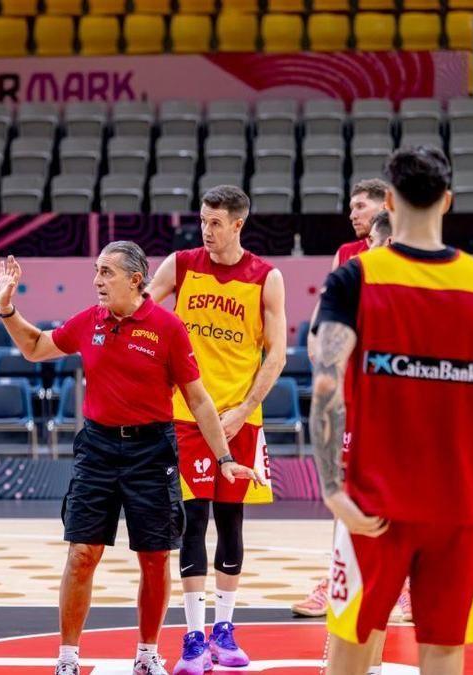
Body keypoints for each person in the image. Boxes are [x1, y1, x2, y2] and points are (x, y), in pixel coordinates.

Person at [0, 242, 265, 675]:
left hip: (152, 452)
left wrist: (224, 457)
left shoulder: (168, 327)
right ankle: (67, 659)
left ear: (136, 280)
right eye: (96, 272)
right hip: (97, 449)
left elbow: (198, 399)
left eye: (106, 273)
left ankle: (146, 654)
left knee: (155, 557)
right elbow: (37, 347)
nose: (97, 281)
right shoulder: (90, 321)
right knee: (82, 553)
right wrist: (7, 310)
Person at [309, 147, 473, 675]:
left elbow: (325, 384)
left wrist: (332, 489)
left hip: (373, 504)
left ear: (389, 200)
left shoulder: (354, 277)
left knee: (353, 647)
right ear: (447, 200)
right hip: (460, 506)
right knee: (445, 650)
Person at [145, 186, 286, 675]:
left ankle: (224, 630)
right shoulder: (181, 265)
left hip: (239, 419)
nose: (206, 230)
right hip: (185, 419)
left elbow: (278, 356)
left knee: (231, 522)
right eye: (203, 220)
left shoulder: (266, 277)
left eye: (216, 222)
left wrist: (246, 408)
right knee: (191, 521)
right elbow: (140, 308)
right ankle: (191, 637)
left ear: (238, 224)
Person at [293, 179, 399, 624]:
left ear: (385, 207)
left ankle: (404, 586)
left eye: (361, 206)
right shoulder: (347, 256)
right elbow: (325, 320)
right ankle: (335, 579)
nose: (353, 213)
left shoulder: (415, 254)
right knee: (346, 486)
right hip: (355, 389)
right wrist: (321, 347)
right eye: (351, 206)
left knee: (400, 490)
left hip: (399, 388)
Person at [332, 179, 390, 269]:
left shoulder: (408, 250)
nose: (352, 216)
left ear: (385, 207)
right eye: (352, 209)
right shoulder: (344, 253)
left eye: (360, 206)